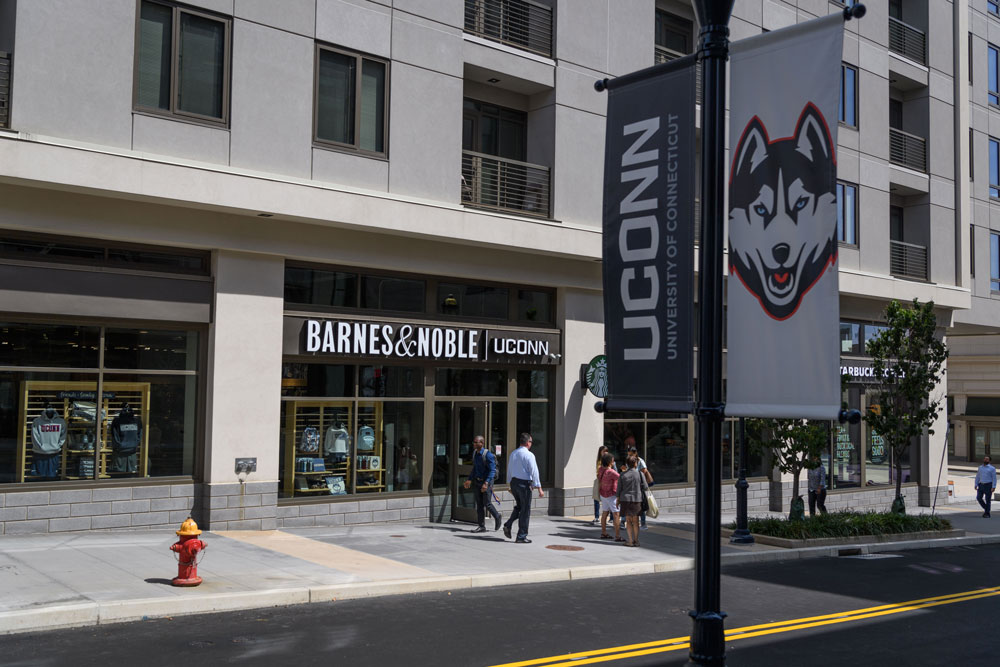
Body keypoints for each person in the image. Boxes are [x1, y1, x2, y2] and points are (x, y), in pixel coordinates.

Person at [504, 432, 544, 543]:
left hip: (514, 483)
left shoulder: (513, 453)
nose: (531, 444)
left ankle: (508, 524)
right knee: (525, 510)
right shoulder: (529, 455)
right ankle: (521, 536)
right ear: (527, 443)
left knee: (520, 507)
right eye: (531, 441)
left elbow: (510, 469)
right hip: (524, 484)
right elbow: (534, 471)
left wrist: (509, 484)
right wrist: (539, 487)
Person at [464, 435, 501, 533]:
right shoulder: (475, 454)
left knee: (487, 503)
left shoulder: (487, 455)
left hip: (486, 482)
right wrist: (469, 479)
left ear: (482, 443)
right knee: (479, 505)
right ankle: (481, 526)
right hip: (477, 481)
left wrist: (487, 483)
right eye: (474, 442)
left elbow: (492, 470)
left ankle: (497, 516)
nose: (475, 444)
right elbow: (475, 468)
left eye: (477, 442)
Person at [617, 454, 649, 547]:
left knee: (628, 520)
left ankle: (630, 541)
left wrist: (617, 500)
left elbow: (619, 489)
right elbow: (646, 487)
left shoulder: (622, 474)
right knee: (635, 521)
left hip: (625, 500)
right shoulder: (640, 474)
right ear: (635, 463)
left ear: (627, 464)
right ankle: (636, 540)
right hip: (637, 499)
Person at [621, 445, 653, 529]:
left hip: (639, 486)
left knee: (640, 505)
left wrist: (634, 473)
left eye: (631, 454)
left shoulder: (640, 461)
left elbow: (644, 471)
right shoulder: (629, 461)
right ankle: (623, 521)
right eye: (628, 454)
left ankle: (643, 523)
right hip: (630, 485)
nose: (629, 456)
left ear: (635, 453)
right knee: (627, 503)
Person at [598, 451, 624, 542]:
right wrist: (624, 471)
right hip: (611, 495)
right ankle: (617, 536)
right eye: (613, 461)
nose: (613, 463)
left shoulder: (600, 469)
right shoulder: (611, 472)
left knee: (604, 513)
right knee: (616, 514)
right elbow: (621, 478)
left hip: (603, 494)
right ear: (609, 462)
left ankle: (604, 533)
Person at [592, 445, 608, 525]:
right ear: (600, 452)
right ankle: (597, 517)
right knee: (596, 499)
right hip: (599, 482)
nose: (605, 453)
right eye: (604, 451)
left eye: (606, 451)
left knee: (609, 499)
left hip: (608, 482)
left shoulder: (609, 460)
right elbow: (598, 473)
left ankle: (611, 518)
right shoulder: (599, 461)